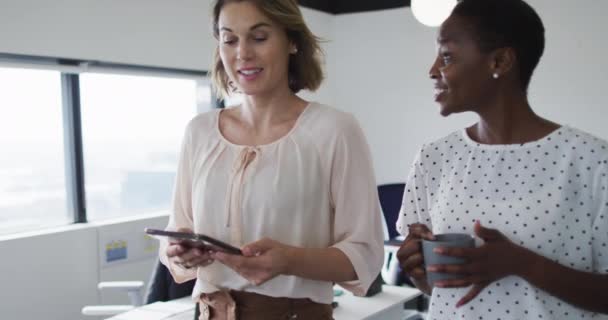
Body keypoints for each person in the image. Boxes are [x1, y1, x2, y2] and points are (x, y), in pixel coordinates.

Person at [158, 0, 384, 319]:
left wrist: (289, 260)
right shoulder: (200, 132)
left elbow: (365, 254)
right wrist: (179, 253)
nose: (243, 53)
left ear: (292, 41)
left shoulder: (334, 130)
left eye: (259, 37)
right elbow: (178, 229)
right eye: (230, 39)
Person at [396, 0, 608, 319]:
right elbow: (438, 289)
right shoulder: (433, 158)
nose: (432, 70)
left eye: (447, 56)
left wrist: (522, 263)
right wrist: (416, 270)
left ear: (500, 61)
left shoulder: (592, 162)